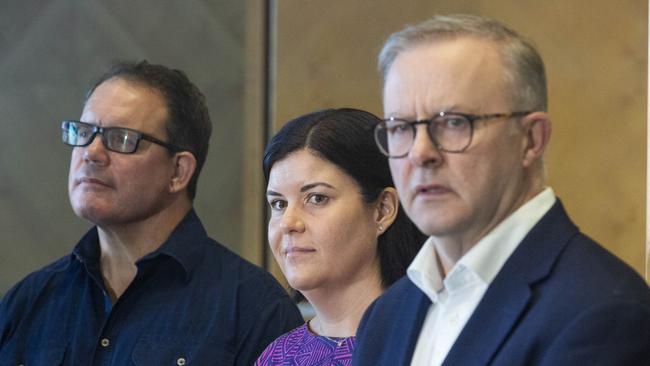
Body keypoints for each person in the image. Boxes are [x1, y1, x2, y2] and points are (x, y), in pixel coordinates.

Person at [353, 14, 650, 365]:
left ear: (530, 139)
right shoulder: (385, 316)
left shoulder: (604, 312)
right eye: (401, 127)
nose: (420, 153)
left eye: (453, 122)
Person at [0, 61, 303, 365]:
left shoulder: (254, 309)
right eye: (84, 132)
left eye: (120, 139)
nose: (91, 152)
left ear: (178, 171)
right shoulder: (28, 303)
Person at [255, 108, 425, 365]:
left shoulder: (427, 340)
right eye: (278, 204)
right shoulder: (276, 357)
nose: (288, 222)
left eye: (317, 198)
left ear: (382, 209)